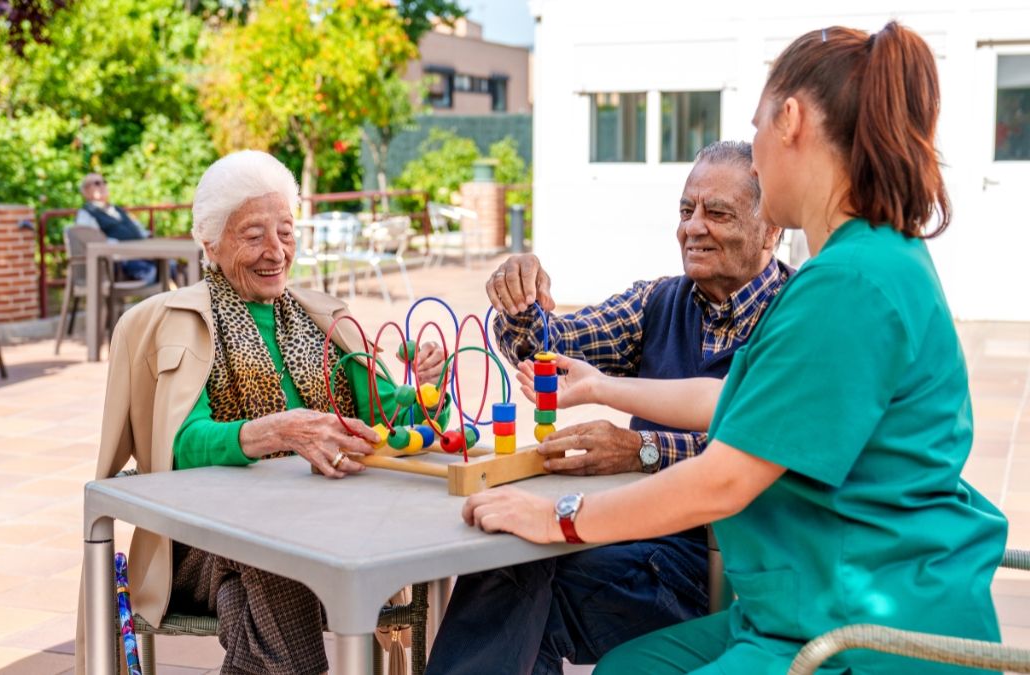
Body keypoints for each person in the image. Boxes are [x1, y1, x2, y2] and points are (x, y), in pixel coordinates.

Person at [461, 22, 1008, 675]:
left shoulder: (848, 286)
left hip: (863, 634)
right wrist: (602, 385)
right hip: (802, 608)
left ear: (792, 121)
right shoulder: (862, 265)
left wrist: (562, 518)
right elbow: (735, 399)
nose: (754, 151)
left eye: (755, 130)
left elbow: (723, 477)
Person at [74, 150, 448, 675]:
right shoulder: (186, 323)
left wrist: (429, 389)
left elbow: (395, 422)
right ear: (210, 244)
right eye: (253, 235)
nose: (276, 252)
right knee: (272, 555)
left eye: (287, 233)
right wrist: (276, 431)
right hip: (202, 544)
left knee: (251, 602)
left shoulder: (323, 321)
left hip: (327, 538)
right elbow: (182, 443)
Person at [426, 141, 791, 675]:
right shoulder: (660, 300)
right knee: (508, 565)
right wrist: (523, 303)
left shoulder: (795, 318)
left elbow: (758, 451)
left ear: (771, 228)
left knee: (518, 589)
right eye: (686, 211)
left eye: (717, 213)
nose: (693, 227)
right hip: (635, 538)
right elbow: (550, 347)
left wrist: (641, 450)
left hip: (732, 571)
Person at [76, 172, 159, 283]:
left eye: (104, 182)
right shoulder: (87, 213)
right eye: (97, 183)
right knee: (152, 272)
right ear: (86, 191)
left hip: (143, 253)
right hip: (119, 262)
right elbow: (93, 242)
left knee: (171, 265)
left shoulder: (116, 209)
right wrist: (124, 249)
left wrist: (148, 238)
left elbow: (139, 229)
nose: (102, 186)